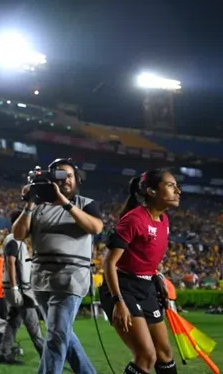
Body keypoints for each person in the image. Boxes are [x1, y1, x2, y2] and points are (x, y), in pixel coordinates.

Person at [12, 158, 103, 374]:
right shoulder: (38, 207)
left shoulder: (85, 203)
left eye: (69, 175)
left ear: (77, 179)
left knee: (56, 336)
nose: (65, 180)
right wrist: (30, 203)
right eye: (60, 176)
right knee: (61, 333)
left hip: (71, 279)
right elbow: (18, 234)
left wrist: (65, 203)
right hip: (42, 279)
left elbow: (96, 227)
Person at [99, 169, 179, 374]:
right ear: (152, 191)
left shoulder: (164, 220)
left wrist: (157, 276)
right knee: (146, 356)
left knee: (165, 353)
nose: (178, 191)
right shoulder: (134, 220)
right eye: (171, 185)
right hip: (122, 289)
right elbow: (109, 263)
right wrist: (118, 302)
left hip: (146, 288)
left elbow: (145, 257)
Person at [0, 210, 45, 365]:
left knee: (13, 322)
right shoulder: (14, 240)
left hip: (18, 288)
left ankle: (4, 353)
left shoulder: (15, 240)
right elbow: (11, 263)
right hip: (21, 290)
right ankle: (46, 357)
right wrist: (15, 288)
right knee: (33, 325)